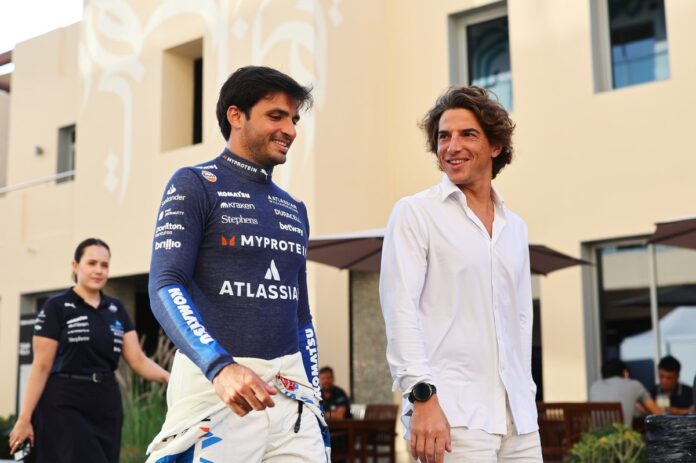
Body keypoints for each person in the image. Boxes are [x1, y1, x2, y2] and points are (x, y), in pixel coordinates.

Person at [146, 66, 327, 463]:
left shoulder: (294, 209)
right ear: (236, 115)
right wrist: (219, 366)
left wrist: (316, 401)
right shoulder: (193, 184)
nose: (290, 130)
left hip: (292, 402)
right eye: (276, 116)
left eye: (294, 120)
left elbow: (300, 317)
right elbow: (165, 283)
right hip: (219, 391)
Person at [380, 86, 542, 463]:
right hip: (450, 416)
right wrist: (422, 397)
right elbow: (399, 310)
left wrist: (527, 397)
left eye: (467, 134)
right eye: (443, 136)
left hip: (519, 420)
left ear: (495, 146)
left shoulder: (515, 227)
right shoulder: (415, 213)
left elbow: (520, 321)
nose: (452, 147)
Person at [8, 238, 170, 463]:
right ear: (75, 266)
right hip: (65, 403)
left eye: (104, 265)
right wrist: (24, 418)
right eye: (92, 263)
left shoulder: (116, 308)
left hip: (106, 404)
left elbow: (138, 360)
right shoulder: (57, 307)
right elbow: (41, 366)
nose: (99, 270)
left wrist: (170, 378)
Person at [589, 359, 662, 425]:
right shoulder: (634, 385)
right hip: (622, 434)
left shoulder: (595, 386)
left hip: (595, 435)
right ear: (625, 372)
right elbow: (657, 412)